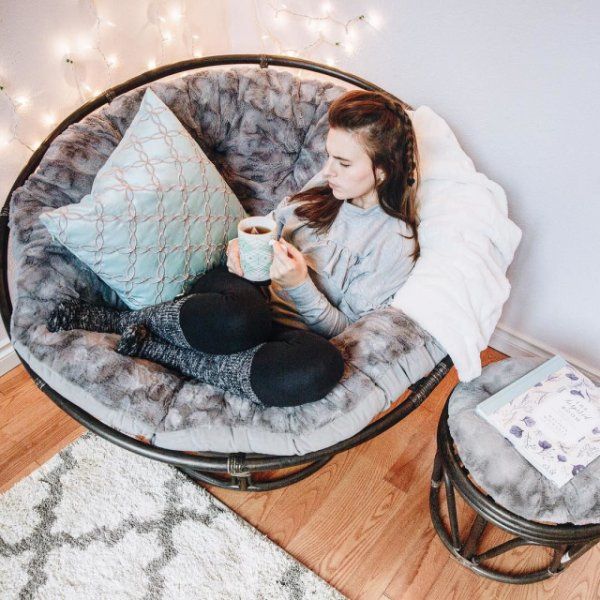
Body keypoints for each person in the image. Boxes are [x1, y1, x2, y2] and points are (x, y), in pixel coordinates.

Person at [46, 89, 420, 408]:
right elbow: (272, 222)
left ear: (383, 170)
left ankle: (159, 349)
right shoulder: (330, 184)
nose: (328, 170)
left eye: (342, 162)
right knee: (243, 317)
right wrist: (242, 252)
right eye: (328, 155)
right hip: (238, 302)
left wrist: (300, 284)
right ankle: (122, 322)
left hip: (287, 338)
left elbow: (348, 329)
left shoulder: (393, 243)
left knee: (322, 366)